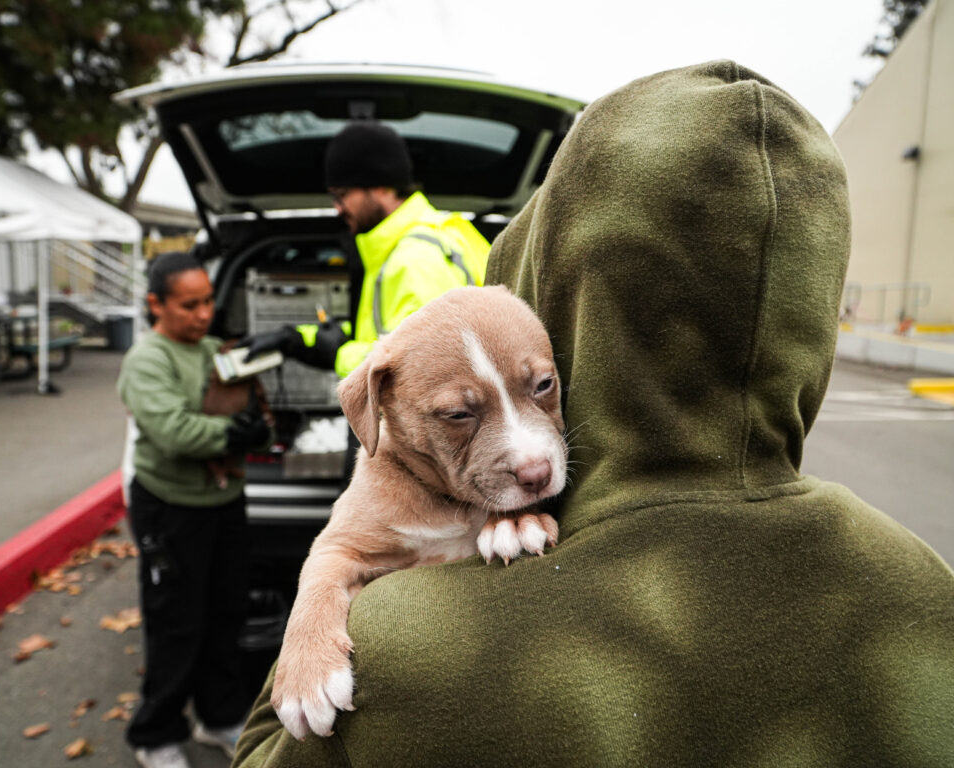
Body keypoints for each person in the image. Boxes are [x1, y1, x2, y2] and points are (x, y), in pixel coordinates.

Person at [231, 61, 954, 767]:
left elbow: (269, 748)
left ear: (567, 310)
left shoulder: (405, 650)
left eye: (546, 384)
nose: (531, 453)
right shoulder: (924, 588)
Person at [117, 251, 272, 768]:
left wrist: (256, 424)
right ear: (155, 304)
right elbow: (173, 431)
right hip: (170, 509)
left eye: (208, 301)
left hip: (224, 504)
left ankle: (220, 717)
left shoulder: (216, 350)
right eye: (189, 305)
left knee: (225, 613)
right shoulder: (147, 360)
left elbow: (247, 400)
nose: (203, 314)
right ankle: (155, 734)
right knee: (176, 623)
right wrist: (233, 434)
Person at [240, 120, 491, 379]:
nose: (337, 207)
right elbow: (388, 334)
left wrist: (340, 353)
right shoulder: (428, 236)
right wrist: (296, 339)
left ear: (381, 185)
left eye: (342, 194)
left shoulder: (417, 259)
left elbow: (418, 364)